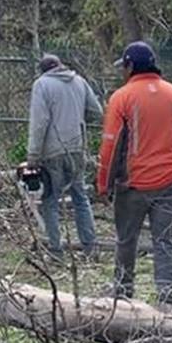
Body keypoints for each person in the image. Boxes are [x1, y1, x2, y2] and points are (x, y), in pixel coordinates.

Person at [97, 41, 172, 305]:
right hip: (169, 184)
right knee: (165, 243)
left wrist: (104, 185)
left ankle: (122, 299)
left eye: (124, 66)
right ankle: (168, 302)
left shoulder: (122, 98)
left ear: (131, 66)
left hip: (132, 185)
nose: (123, 71)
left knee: (125, 242)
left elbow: (110, 146)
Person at [26, 53, 103, 259]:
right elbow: (97, 111)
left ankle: (56, 251)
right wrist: (77, 119)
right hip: (77, 148)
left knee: (50, 201)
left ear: (43, 70)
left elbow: (39, 121)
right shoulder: (79, 81)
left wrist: (33, 154)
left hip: (51, 151)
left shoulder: (41, 85)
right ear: (60, 65)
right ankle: (90, 248)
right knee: (80, 197)